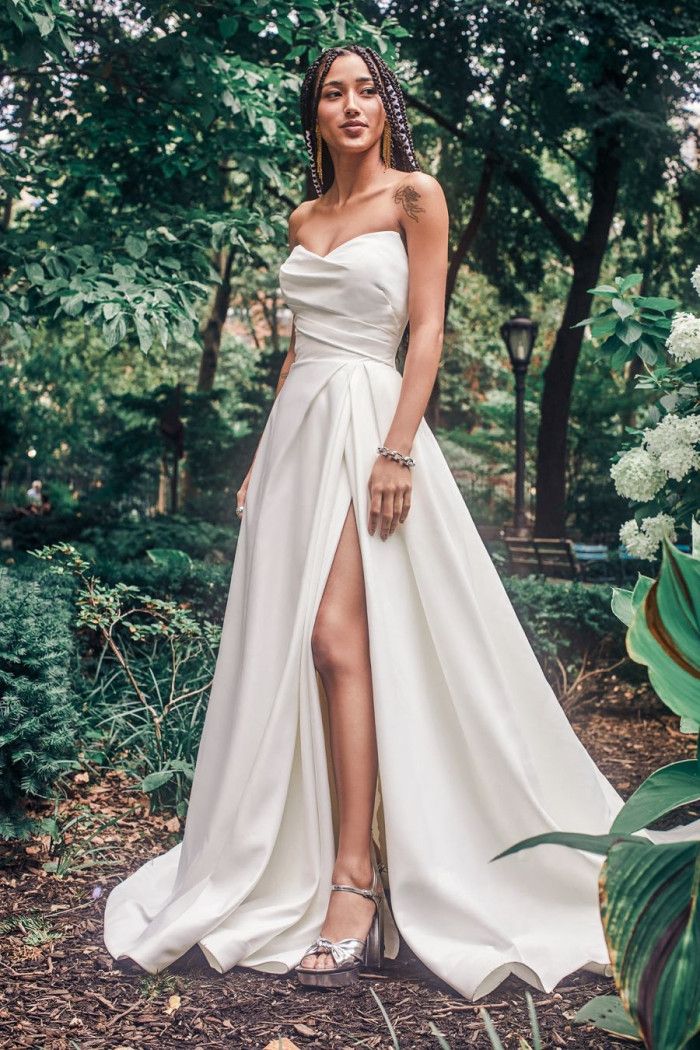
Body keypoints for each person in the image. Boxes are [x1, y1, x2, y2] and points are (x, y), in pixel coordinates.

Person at [103, 44, 700, 1001]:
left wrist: (396, 449)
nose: (351, 104)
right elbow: (299, 351)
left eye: (366, 89)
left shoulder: (418, 197)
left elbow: (425, 329)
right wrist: (262, 457)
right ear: (315, 115)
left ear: (387, 105)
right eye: (333, 93)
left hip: (371, 425)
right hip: (302, 436)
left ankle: (356, 886)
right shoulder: (304, 216)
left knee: (340, 643)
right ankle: (325, 867)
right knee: (301, 649)